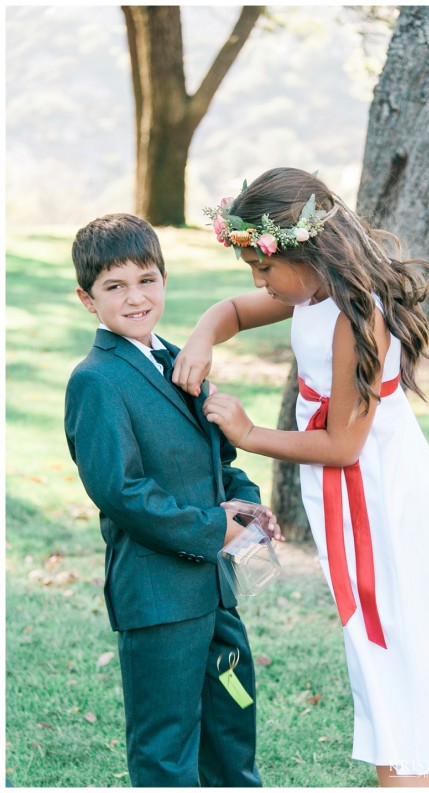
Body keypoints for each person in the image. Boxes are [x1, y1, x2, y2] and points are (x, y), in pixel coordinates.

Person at [171, 168, 429, 788]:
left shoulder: (355, 319)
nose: (259, 283)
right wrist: (203, 334)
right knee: (399, 658)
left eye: (264, 268)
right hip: (358, 490)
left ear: (304, 252)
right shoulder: (312, 294)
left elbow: (342, 445)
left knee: (387, 655)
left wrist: (248, 434)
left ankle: (406, 774)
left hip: (376, 502)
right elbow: (230, 310)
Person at [64, 212, 283, 787]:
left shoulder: (179, 361)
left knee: (231, 730)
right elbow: (123, 492)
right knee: (167, 752)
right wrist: (217, 527)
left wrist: (248, 507)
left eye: (146, 280)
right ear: (89, 300)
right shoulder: (97, 381)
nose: (135, 298)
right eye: (114, 287)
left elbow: (220, 463)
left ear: (163, 280)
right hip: (158, 602)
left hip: (216, 592)